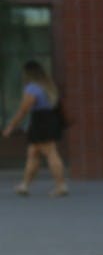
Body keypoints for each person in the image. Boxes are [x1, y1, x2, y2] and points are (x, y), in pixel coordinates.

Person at [2, 60, 69, 197]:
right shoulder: (48, 86)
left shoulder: (32, 88)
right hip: (50, 120)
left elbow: (23, 110)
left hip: (40, 121)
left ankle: (61, 185)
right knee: (33, 153)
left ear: (28, 74)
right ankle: (24, 185)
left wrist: (11, 125)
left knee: (50, 152)